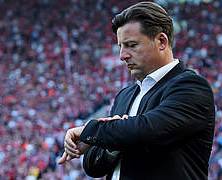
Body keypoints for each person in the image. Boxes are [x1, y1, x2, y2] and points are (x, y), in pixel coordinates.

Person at [57, 2, 215, 180]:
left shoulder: (191, 87)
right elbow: (93, 167)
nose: (122, 55)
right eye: (120, 46)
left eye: (131, 45)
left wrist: (90, 130)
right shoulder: (125, 96)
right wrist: (112, 142)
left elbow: (149, 130)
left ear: (161, 41)